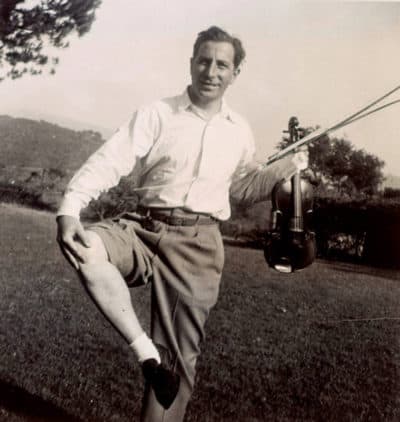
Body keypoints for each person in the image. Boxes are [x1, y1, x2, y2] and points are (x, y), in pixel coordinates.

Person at [56, 26, 308, 421]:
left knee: (180, 359)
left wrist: (285, 169)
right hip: (142, 227)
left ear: (235, 73)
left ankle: (162, 370)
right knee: (85, 247)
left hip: (199, 241)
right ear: (191, 63)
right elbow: (111, 159)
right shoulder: (158, 113)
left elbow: (241, 188)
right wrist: (71, 206)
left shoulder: (239, 130)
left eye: (222, 64)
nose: (211, 71)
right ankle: (145, 353)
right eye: (204, 61)